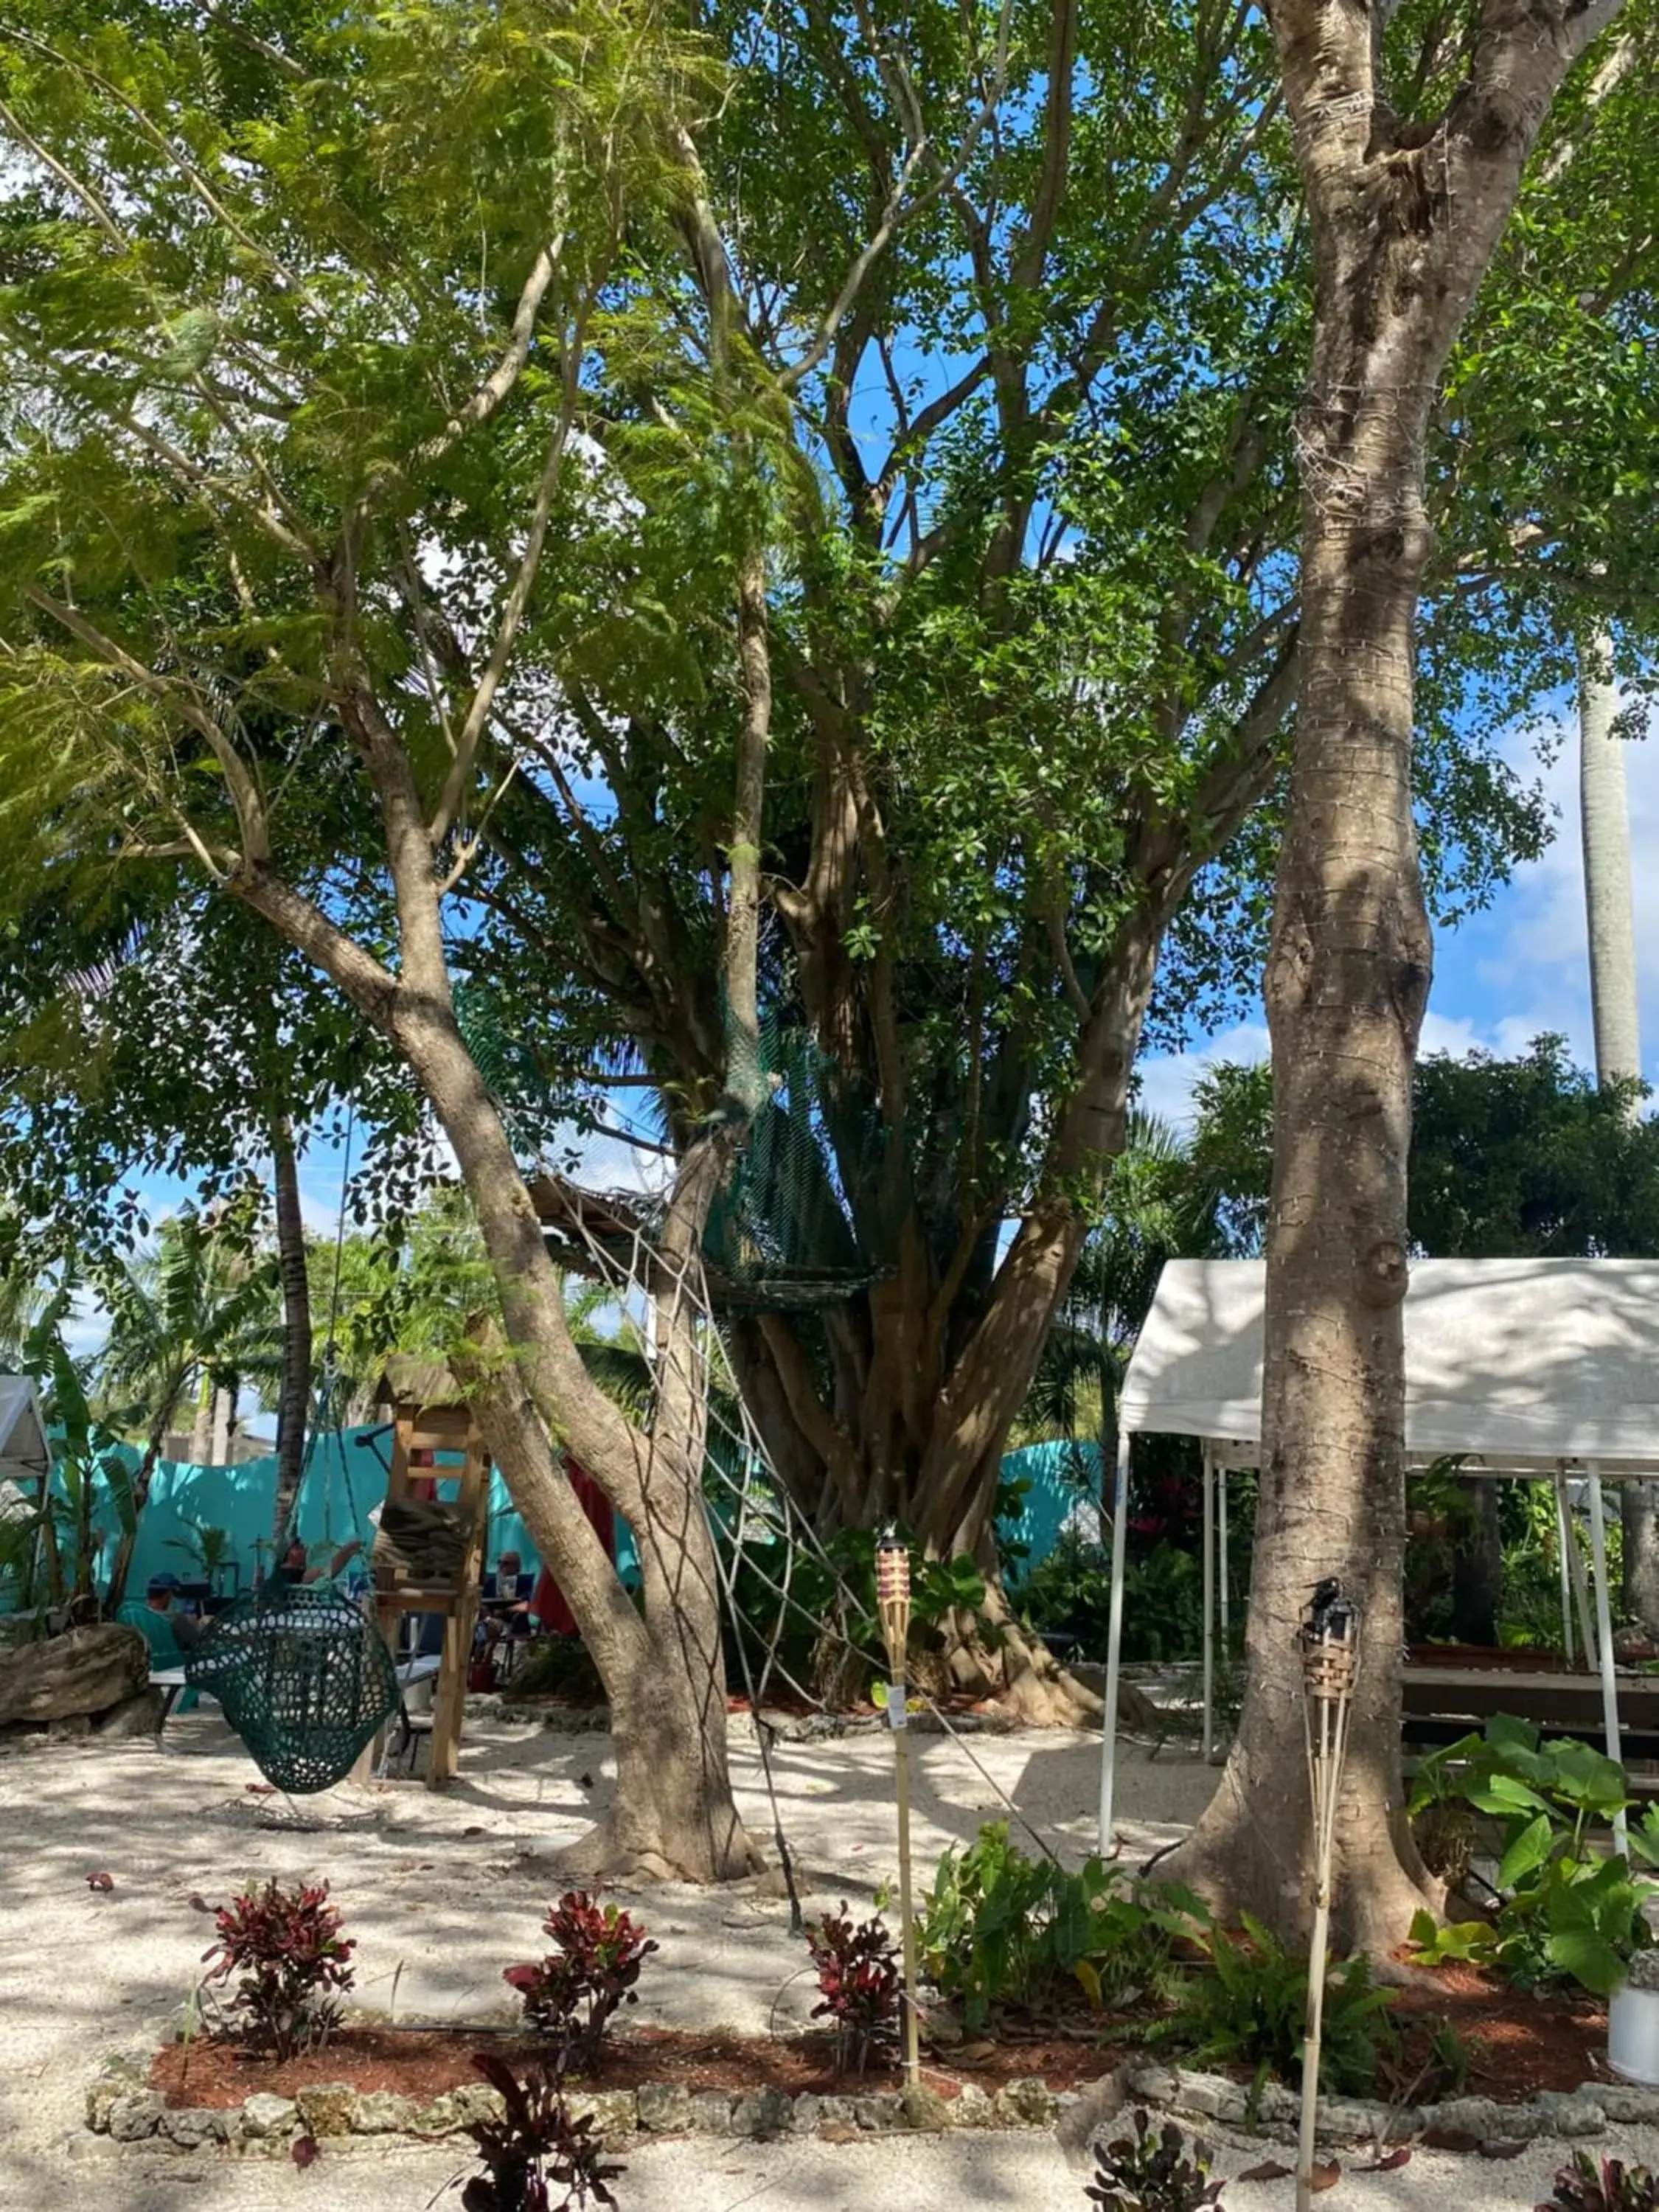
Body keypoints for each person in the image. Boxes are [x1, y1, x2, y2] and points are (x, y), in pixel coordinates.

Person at [268, 1536, 363, 1591]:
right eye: (297, 1547)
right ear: (288, 1556)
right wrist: (348, 1550)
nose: (304, 1548)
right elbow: (328, 1572)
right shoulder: (298, 1575)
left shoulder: (276, 1577)